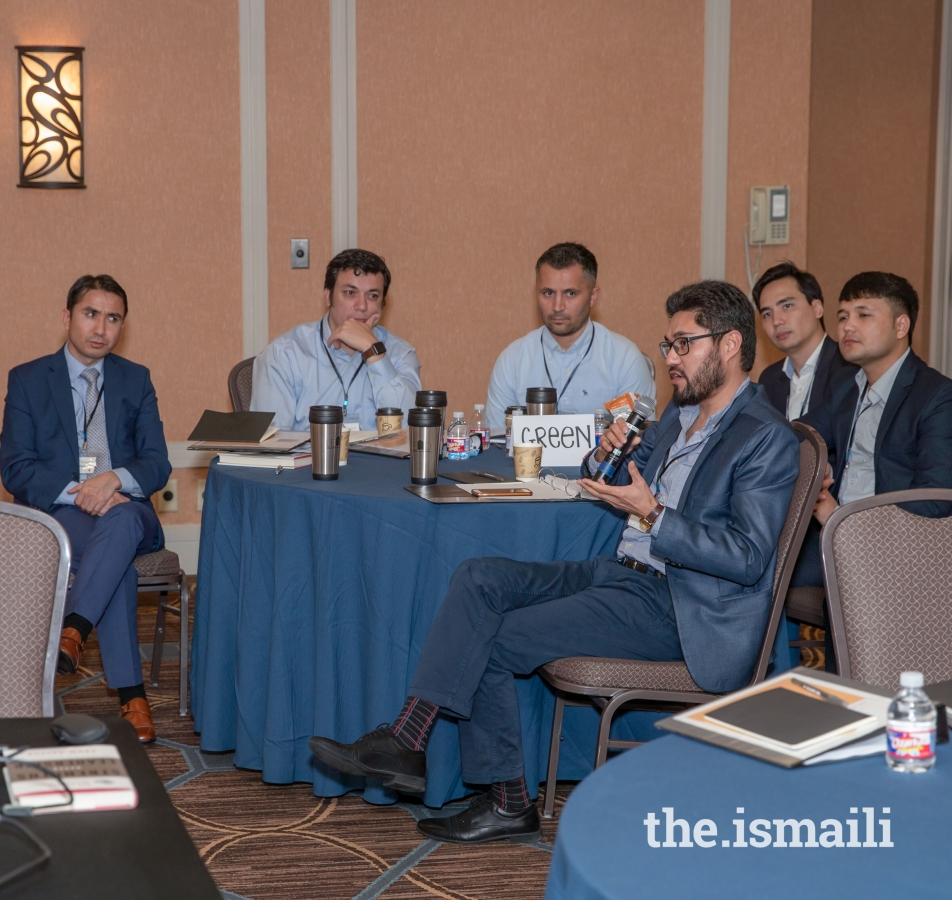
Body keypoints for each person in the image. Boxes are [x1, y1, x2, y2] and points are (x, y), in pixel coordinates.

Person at [309, 281, 797, 845]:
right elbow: (614, 477)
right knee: (479, 576)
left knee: (493, 636)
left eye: (683, 345)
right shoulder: (680, 415)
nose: (670, 360)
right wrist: (606, 452)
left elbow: (748, 556)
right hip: (623, 575)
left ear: (730, 344)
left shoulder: (765, 437)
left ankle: (499, 796)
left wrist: (655, 513)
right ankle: (410, 741)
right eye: (667, 346)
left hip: (681, 607)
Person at [0, 274, 171, 742]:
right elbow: (15, 467)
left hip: (130, 510)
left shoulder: (136, 380)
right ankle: (132, 698)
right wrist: (82, 491)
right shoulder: (29, 379)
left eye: (113, 318)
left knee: (120, 521)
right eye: (90, 314)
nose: (101, 327)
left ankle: (73, 630)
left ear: (122, 326)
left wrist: (114, 480)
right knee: (116, 566)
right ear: (67, 317)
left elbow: (158, 463)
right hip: (66, 511)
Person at [792, 272, 952, 588]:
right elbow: (800, 432)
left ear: (901, 326)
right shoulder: (846, 385)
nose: (847, 326)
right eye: (843, 316)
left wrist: (847, 524)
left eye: (863, 315)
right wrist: (813, 460)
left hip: (896, 553)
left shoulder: (936, 396)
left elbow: (935, 502)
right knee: (757, 569)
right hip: (834, 536)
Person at [251, 249, 421, 431]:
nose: (362, 306)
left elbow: (412, 430)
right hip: (311, 459)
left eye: (372, 296)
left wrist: (372, 350)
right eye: (350, 293)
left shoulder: (401, 354)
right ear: (328, 296)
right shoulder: (284, 355)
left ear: (382, 304)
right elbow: (270, 443)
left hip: (379, 460)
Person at [487, 242, 655, 424]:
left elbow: (638, 441)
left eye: (570, 294)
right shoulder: (512, 360)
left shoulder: (626, 360)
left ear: (592, 297)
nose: (557, 306)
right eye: (548, 293)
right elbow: (497, 440)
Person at [753, 262, 853, 419]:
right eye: (767, 314)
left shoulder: (848, 369)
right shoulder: (769, 379)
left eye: (787, 306)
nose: (776, 321)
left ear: (817, 308)